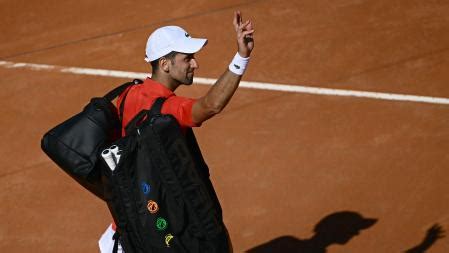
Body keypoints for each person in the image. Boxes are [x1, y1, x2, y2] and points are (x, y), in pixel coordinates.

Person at [99, 10, 254, 253]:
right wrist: (241, 57)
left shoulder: (128, 94)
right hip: (162, 234)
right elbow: (211, 105)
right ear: (165, 64)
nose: (195, 63)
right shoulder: (168, 111)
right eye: (187, 58)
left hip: (127, 225)